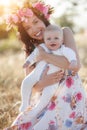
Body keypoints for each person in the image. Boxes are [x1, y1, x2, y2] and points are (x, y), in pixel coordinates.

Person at [5, 1, 87, 130]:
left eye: (36, 22)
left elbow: (74, 66)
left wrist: (44, 56)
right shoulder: (31, 49)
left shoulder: (64, 33)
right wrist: (44, 82)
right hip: (45, 98)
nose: (33, 29)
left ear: (44, 19)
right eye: (27, 28)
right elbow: (32, 87)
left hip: (69, 94)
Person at [20, 24, 77, 113]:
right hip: (36, 74)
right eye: (49, 39)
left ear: (62, 40)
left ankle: (38, 108)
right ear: (45, 40)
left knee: (48, 94)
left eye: (56, 38)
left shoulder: (62, 49)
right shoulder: (43, 47)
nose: (52, 41)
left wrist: (73, 61)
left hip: (53, 78)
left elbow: (71, 54)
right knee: (26, 82)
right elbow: (33, 55)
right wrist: (28, 62)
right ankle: (25, 103)